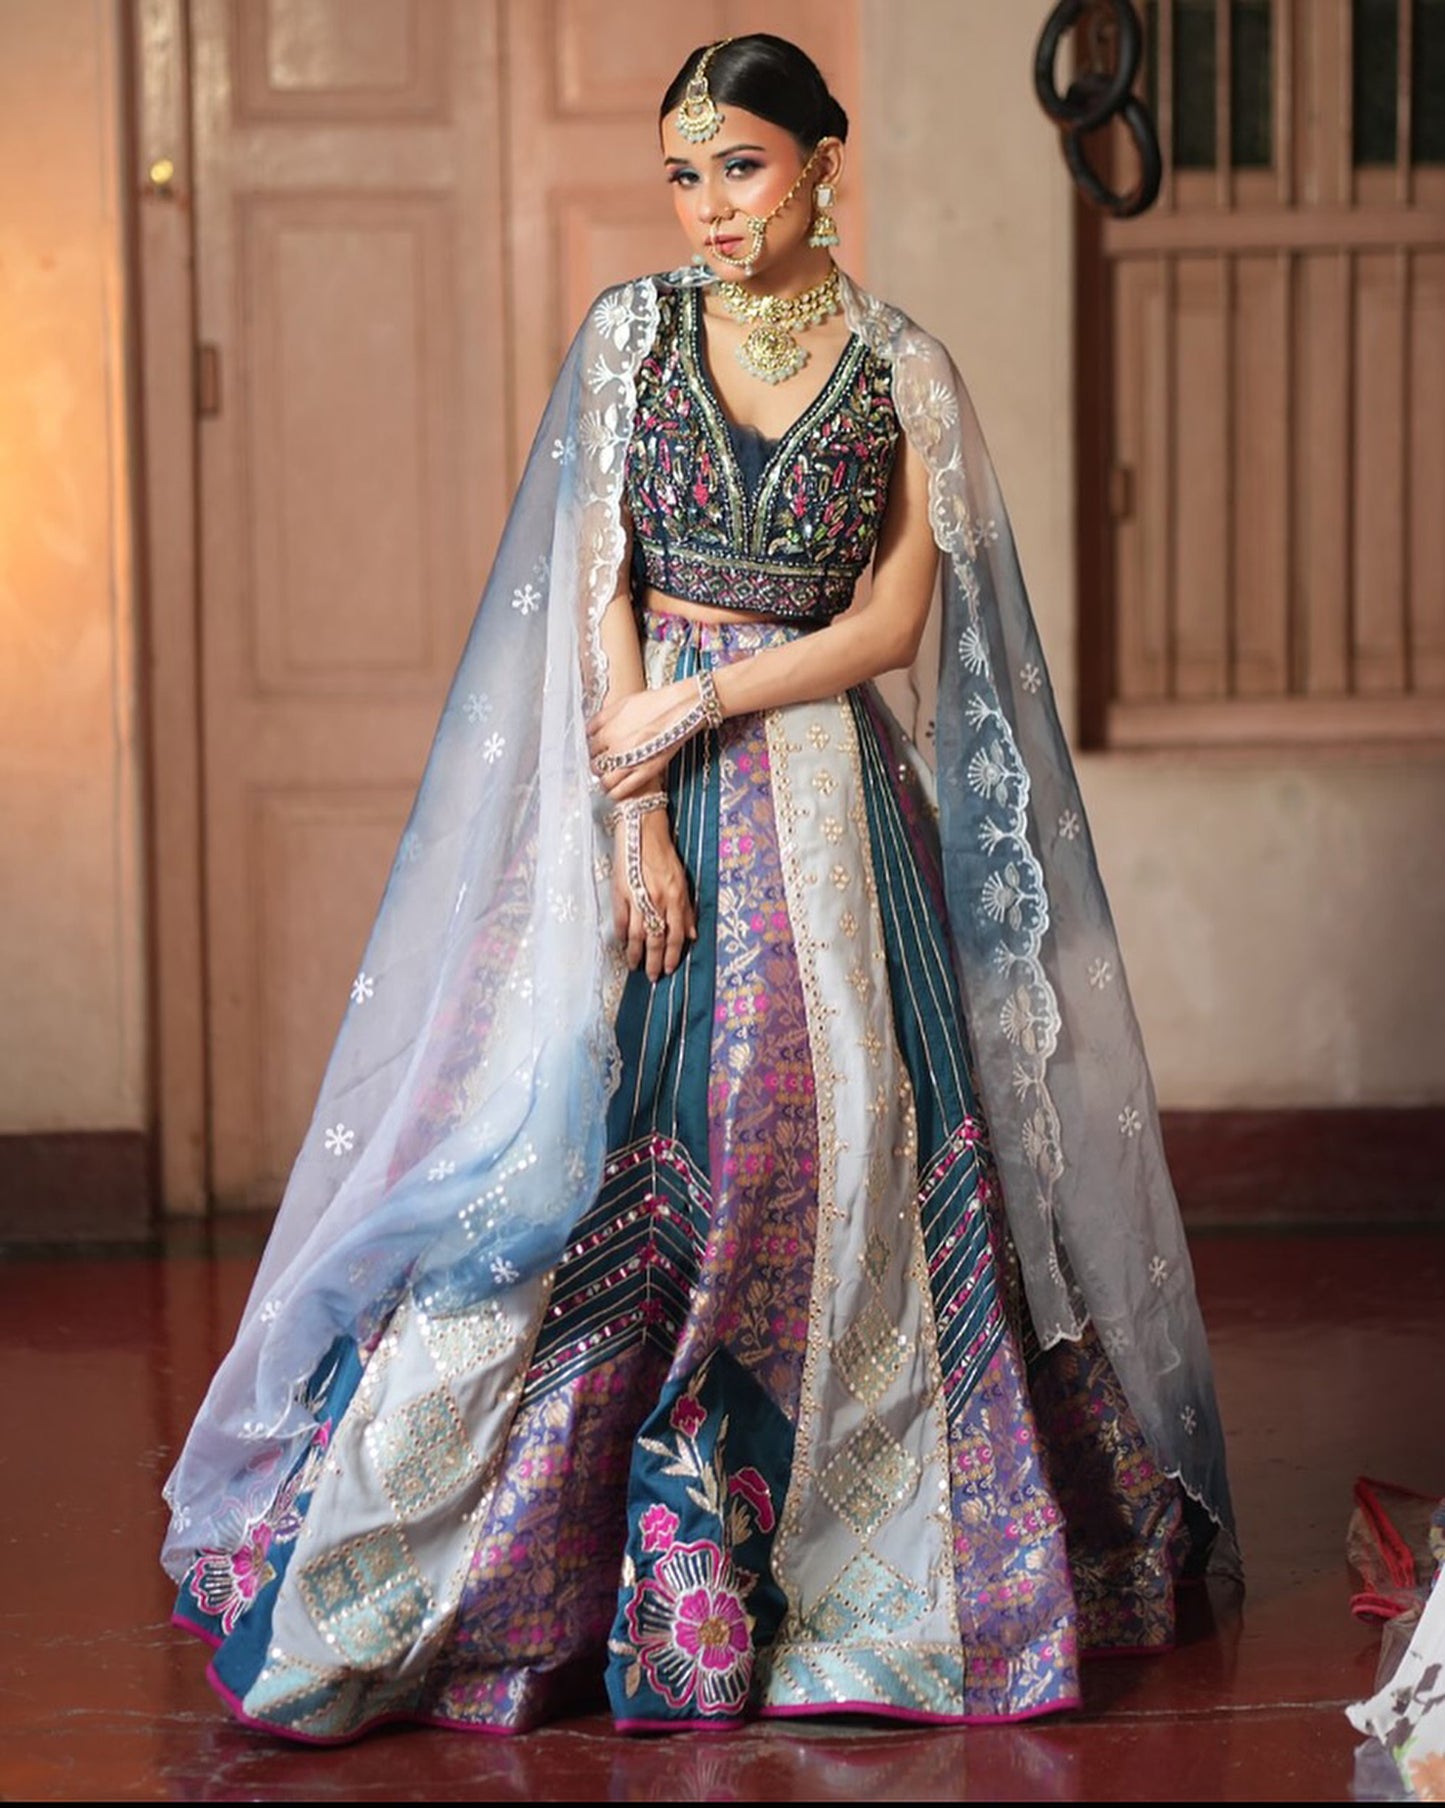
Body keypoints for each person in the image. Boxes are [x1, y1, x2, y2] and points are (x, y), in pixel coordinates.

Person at [163, 34, 1237, 1740]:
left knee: (836, 1141)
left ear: (821, 162)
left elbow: (892, 625)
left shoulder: (901, 367)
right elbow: (602, 574)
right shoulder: (630, 337)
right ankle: (534, 1566)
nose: (711, 207)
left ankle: (837, 1559)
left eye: (741, 166)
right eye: (684, 175)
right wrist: (635, 813)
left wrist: (707, 696)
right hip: (643, 788)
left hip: (825, 795)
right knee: (586, 1148)